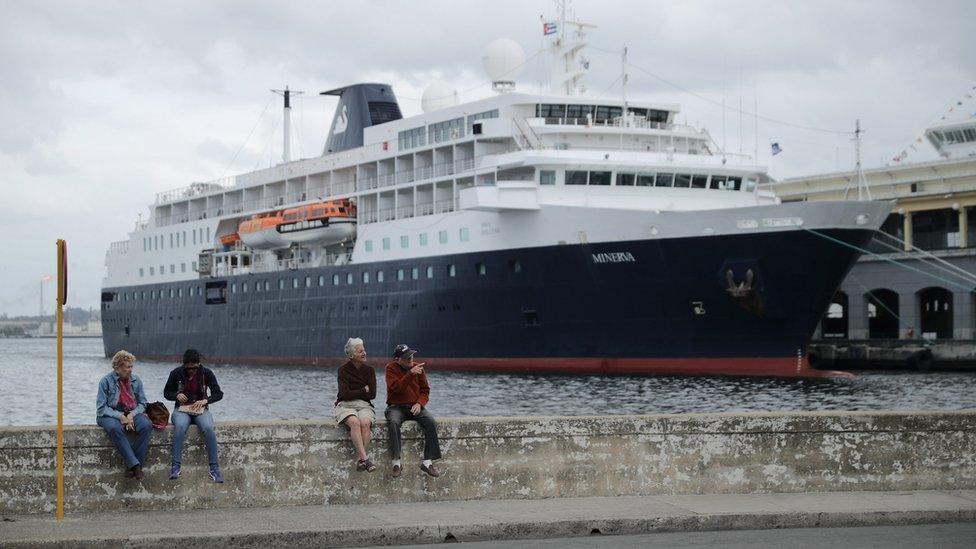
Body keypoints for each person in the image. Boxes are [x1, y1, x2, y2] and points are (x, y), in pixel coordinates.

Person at [163, 349, 225, 483]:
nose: (191, 371)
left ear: (199, 364)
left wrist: (205, 400)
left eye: (194, 368)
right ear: (184, 365)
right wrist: (176, 395)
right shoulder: (176, 373)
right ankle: (175, 466)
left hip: (200, 409)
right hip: (182, 409)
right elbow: (167, 392)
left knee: (208, 427)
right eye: (188, 368)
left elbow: (218, 393)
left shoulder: (207, 373)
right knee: (180, 426)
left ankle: (214, 469)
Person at [385, 344, 442, 477]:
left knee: (431, 422)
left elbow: (425, 390)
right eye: (406, 357)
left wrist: (419, 403)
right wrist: (410, 374)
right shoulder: (391, 368)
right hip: (396, 406)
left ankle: (427, 462)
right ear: (397, 359)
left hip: (414, 407)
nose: (410, 358)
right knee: (393, 422)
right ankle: (396, 462)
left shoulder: (418, 368)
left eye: (411, 355)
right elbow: (396, 389)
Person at [95, 350, 152, 480]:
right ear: (117, 367)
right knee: (115, 428)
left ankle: (132, 465)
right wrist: (121, 417)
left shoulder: (136, 380)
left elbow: (143, 404)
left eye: (131, 366)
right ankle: (137, 466)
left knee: (146, 425)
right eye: (127, 367)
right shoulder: (105, 381)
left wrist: (131, 415)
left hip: (131, 412)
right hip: (109, 414)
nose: (130, 370)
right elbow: (101, 408)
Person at [334, 337, 378, 472]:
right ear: (351, 355)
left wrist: (356, 392)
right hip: (346, 405)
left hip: (364, 405)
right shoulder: (342, 370)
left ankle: (361, 461)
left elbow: (372, 395)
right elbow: (345, 395)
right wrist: (363, 389)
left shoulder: (370, 370)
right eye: (360, 351)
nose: (364, 353)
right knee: (354, 422)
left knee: (365, 423)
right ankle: (365, 460)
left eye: (364, 350)